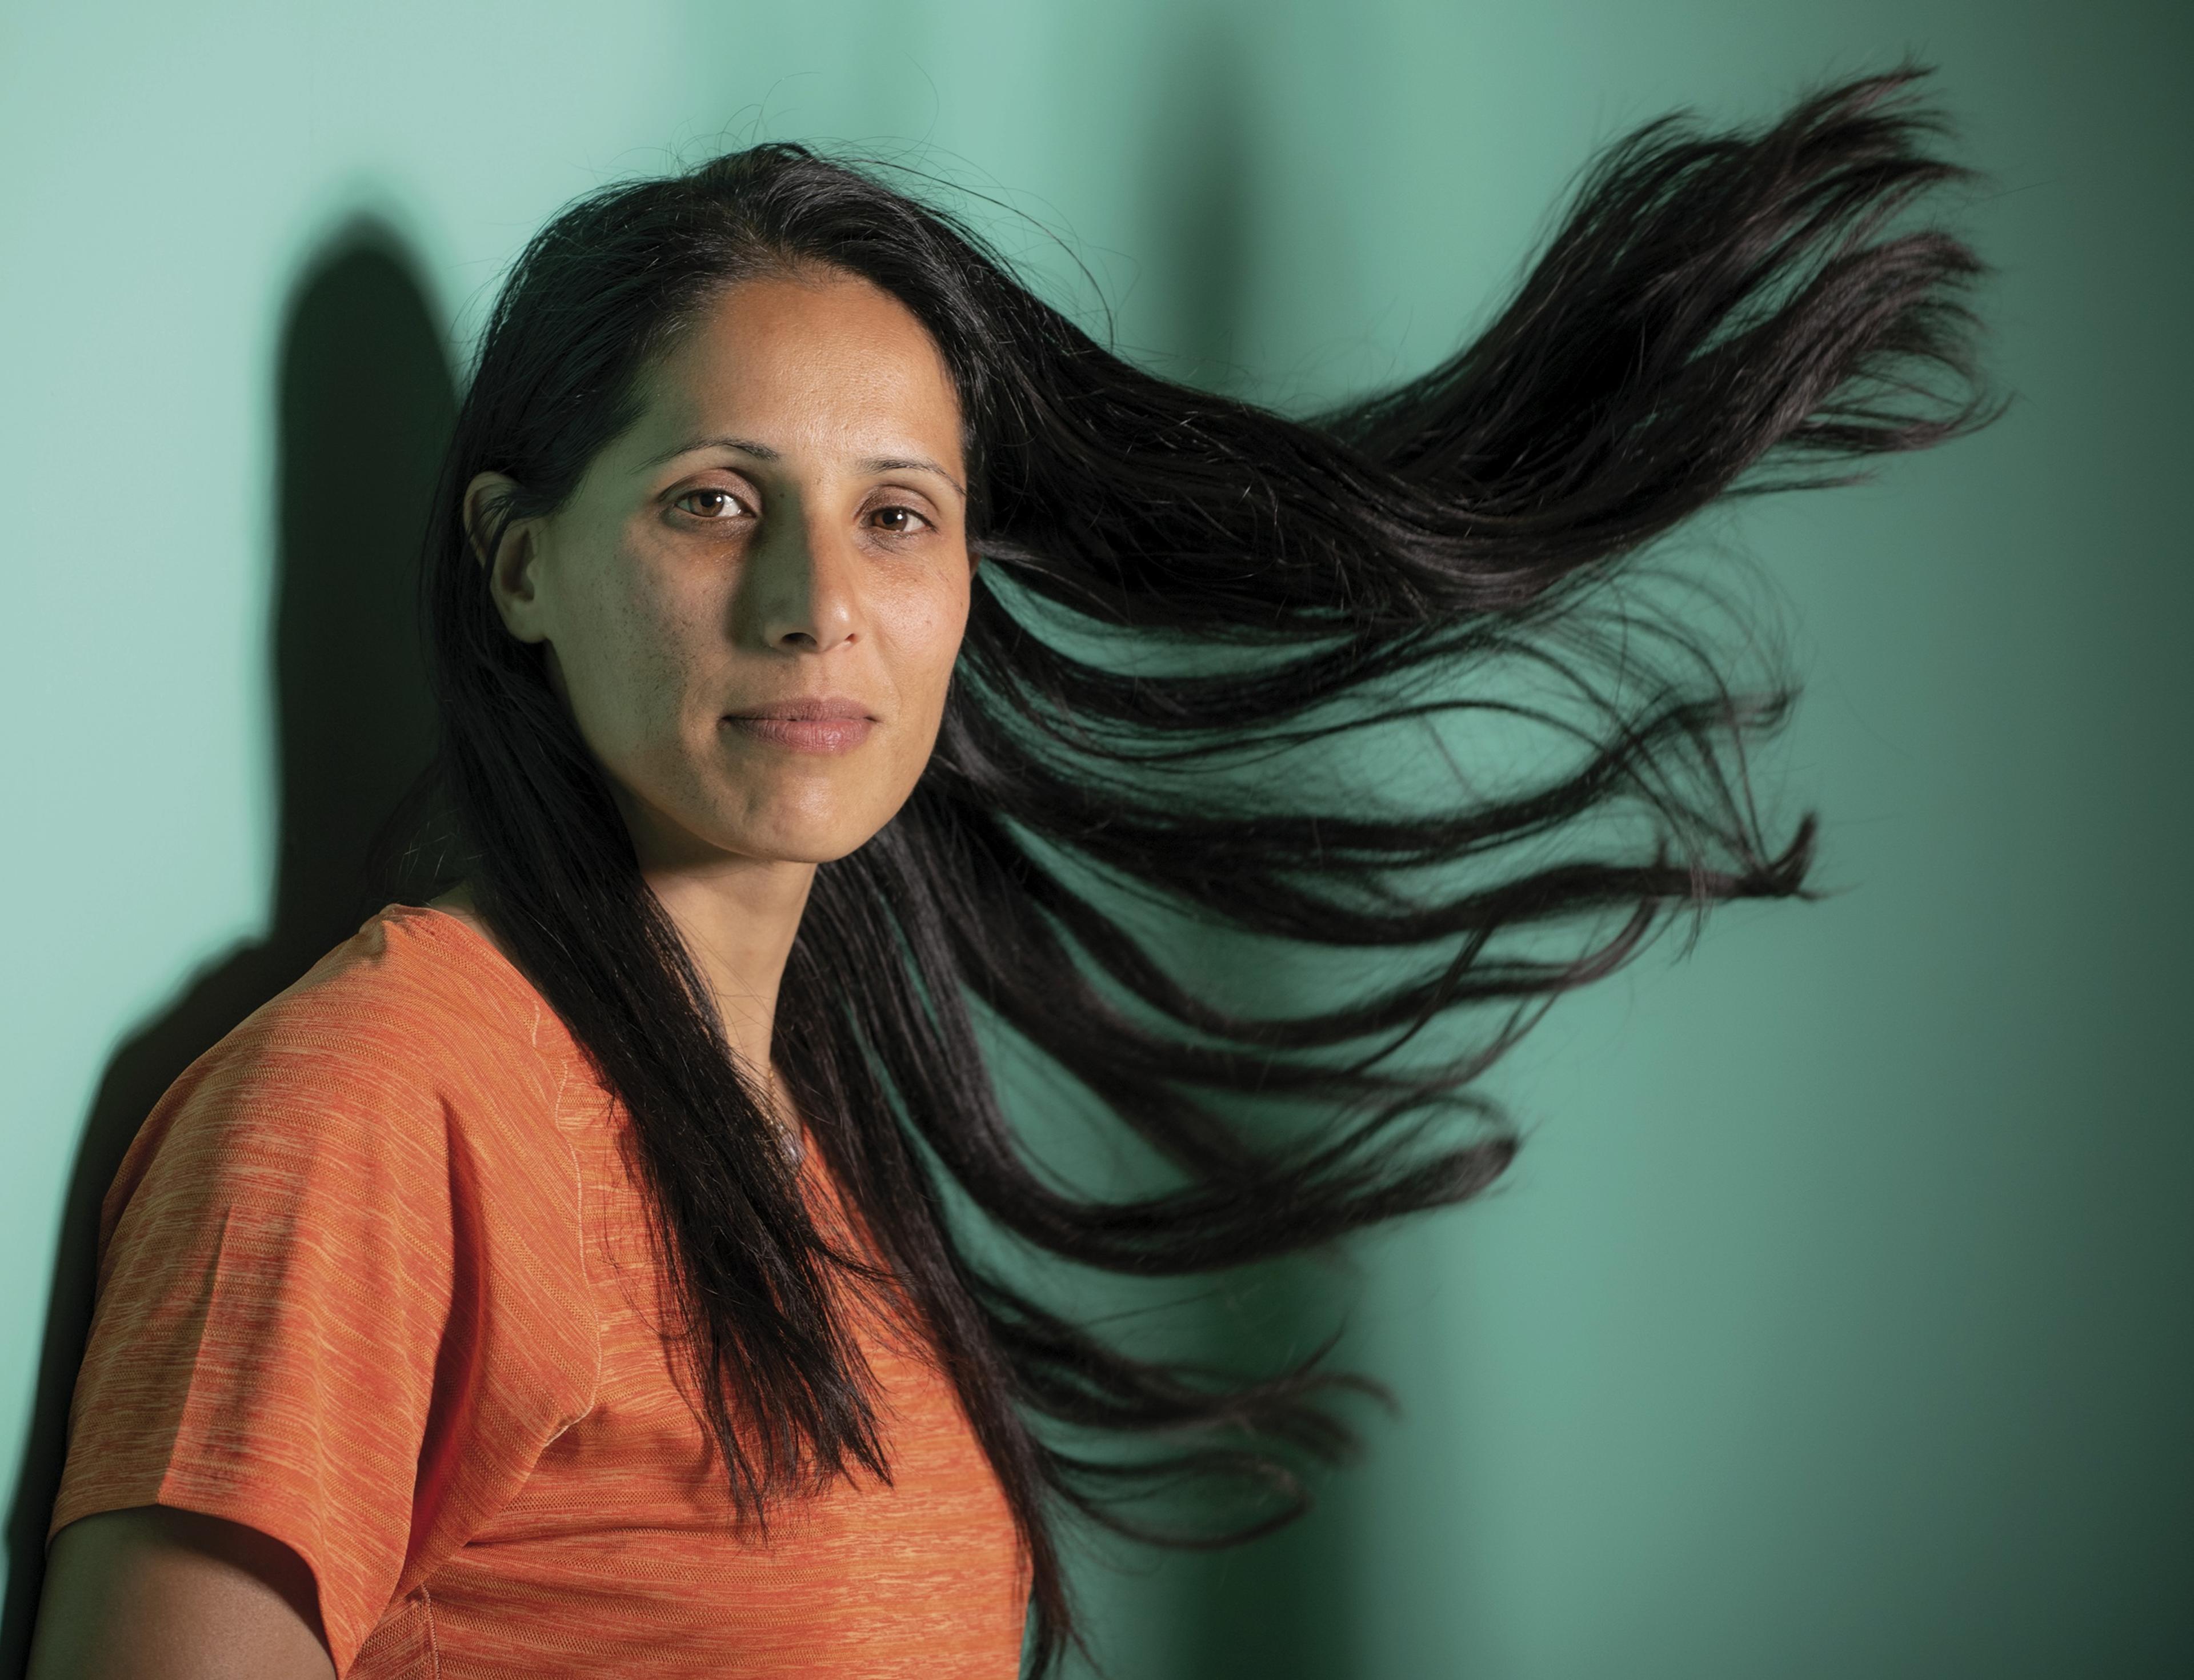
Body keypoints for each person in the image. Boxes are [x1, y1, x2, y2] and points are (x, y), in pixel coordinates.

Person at [26, 67, 1988, 1680]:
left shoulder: (801, 1139)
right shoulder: (371, 1108)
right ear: (522, 561)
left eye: (898, 517)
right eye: (717, 503)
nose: (818, 609)